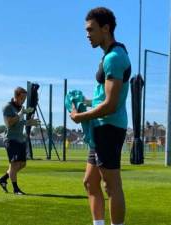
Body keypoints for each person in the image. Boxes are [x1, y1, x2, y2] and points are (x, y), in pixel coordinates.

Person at [70, 7, 131, 225]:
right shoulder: (108, 56)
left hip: (109, 127)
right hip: (100, 127)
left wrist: (81, 116)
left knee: (111, 185)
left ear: (105, 29)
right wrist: (84, 103)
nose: (87, 35)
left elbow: (111, 104)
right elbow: (103, 98)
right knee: (90, 182)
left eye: (91, 30)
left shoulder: (114, 58)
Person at [0, 87, 39, 195]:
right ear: (16, 96)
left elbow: (20, 122)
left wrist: (30, 122)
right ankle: (16, 189)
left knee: (22, 164)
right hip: (11, 139)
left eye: (25, 98)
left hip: (20, 139)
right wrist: (20, 114)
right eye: (22, 97)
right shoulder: (7, 107)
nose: (24, 100)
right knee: (14, 164)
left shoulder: (20, 107)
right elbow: (9, 123)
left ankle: (3, 179)